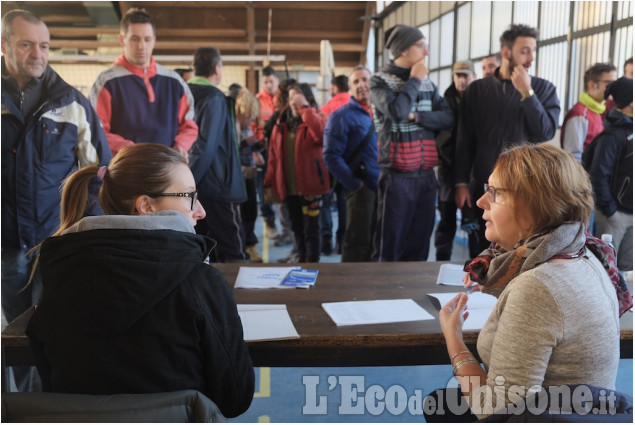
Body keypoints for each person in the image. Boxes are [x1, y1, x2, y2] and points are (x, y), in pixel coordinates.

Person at [25, 143, 255, 418]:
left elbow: (51, 383)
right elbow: (235, 397)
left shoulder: (56, 272)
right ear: (145, 205)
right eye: (190, 196)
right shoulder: (200, 283)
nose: (201, 211)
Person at [429, 143, 632, 421]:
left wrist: (454, 339)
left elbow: (493, 411)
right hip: (583, 412)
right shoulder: (590, 255)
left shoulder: (537, 288)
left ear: (535, 207)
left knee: (439, 406)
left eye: (495, 194)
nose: (480, 202)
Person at [1, 9, 112, 386]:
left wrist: (85, 231)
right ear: (4, 46)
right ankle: (27, 408)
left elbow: (98, 175)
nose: (38, 53)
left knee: (62, 327)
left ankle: (59, 400)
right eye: (26, 44)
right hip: (6, 243)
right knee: (16, 335)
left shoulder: (72, 104)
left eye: (45, 45)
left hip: (57, 241)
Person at [455, 24, 560, 259]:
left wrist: (527, 93)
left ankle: (514, 297)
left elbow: (545, 132)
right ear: (506, 53)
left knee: (518, 254)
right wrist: (460, 182)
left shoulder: (543, 89)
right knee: (480, 254)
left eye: (533, 50)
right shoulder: (478, 90)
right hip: (482, 187)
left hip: (523, 189)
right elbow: (465, 139)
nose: (531, 57)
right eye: (524, 51)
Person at [370, 24, 454, 262]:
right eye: (421, 46)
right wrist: (415, 78)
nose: (426, 52)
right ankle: (384, 295)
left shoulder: (429, 85)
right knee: (390, 243)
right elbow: (397, 110)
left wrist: (416, 117)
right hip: (397, 177)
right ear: (403, 50)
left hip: (426, 176)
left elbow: (447, 117)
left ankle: (412, 296)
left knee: (420, 242)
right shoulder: (379, 82)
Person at [90, 8, 197, 158]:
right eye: (135, 39)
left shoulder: (175, 81)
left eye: (147, 39)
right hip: (127, 167)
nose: (141, 46)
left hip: (166, 167)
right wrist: (133, 150)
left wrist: (181, 146)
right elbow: (97, 130)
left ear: (154, 40)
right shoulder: (106, 82)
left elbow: (189, 125)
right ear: (122, 40)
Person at [188, 47, 249, 263]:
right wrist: (189, 182)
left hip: (194, 184)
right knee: (233, 248)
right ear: (217, 68)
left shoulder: (185, 93)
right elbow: (206, 145)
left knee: (200, 247)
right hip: (217, 183)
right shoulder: (213, 97)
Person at [265, 83, 330, 263]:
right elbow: (273, 155)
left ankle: (313, 264)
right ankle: (301, 258)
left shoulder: (318, 117)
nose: (294, 101)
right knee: (296, 226)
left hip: (311, 186)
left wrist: (305, 109)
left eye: (298, 97)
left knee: (312, 229)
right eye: (292, 97)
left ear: (308, 99)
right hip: (289, 187)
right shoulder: (281, 123)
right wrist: (269, 183)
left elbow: (321, 135)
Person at [323, 66, 379, 262]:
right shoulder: (341, 116)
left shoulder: (379, 112)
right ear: (350, 88)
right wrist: (355, 185)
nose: (362, 85)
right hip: (361, 190)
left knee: (375, 242)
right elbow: (330, 155)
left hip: (382, 188)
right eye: (356, 82)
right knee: (357, 242)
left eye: (365, 79)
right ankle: (352, 290)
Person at [586, 77, 633, 271]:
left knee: (628, 270)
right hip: (615, 215)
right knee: (606, 269)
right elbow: (597, 176)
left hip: (631, 211)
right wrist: (611, 211)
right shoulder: (611, 136)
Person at [434, 60, 476, 261]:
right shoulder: (444, 102)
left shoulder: (479, 100)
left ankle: (478, 268)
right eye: (458, 75)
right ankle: (441, 260)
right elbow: (442, 140)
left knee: (474, 220)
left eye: (465, 75)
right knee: (446, 219)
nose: (462, 79)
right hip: (448, 169)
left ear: (473, 77)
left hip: (473, 171)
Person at [234, 85, 266, 263]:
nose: (250, 120)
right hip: (240, 174)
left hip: (249, 171)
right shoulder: (234, 125)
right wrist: (246, 143)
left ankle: (249, 244)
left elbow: (246, 146)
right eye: (249, 116)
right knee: (245, 213)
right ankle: (245, 245)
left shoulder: (244, 126)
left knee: (252, 211)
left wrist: (259, 145)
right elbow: (232, 150)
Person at [319, 74, 350, 255]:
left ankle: (326, 241)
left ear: (334, 88)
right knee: (345, 202)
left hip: (329, 164)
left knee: (325, 202)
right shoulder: (355, 107)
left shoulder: (326, 109)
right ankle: (342, 241)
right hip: (349, 164)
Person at [561, 63, 616, 161]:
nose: (614, 88)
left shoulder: (597, 110)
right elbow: (573, 157)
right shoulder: (579, 114)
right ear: (592, 85)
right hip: (584, 175)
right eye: (609, 83)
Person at [255, 65, 281, 239]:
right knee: (263, 186)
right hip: (263, 151)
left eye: (271, 81)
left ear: (277, 81)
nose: (269, 84)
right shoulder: (257, 100)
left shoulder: (283, 99)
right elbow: (251, 127)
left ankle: (287, 226)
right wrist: (254, 152)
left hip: (280, 151)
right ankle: (269, 220)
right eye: (266, 82)